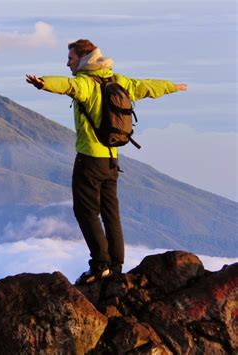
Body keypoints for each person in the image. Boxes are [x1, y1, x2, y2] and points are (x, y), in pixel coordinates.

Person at [26, 39, 187, 284]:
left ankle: (100, 265)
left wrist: (43, 83)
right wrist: (171, 87)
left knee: (86, 212)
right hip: (112, 160)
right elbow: (145, 86)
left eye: (70, 59)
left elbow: (66, 86)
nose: (67, 64)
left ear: (82, 58)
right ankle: (116, 265)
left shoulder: (85, 83)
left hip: (89, 160)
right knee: (111, 212)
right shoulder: (117, 81)